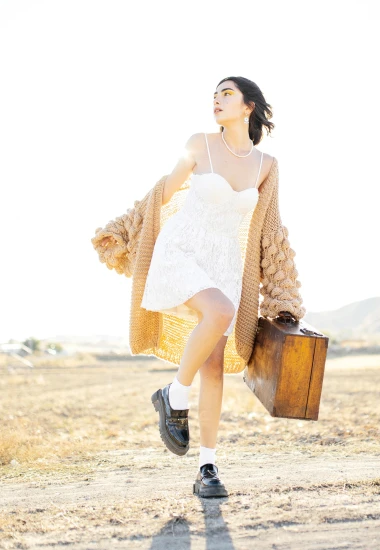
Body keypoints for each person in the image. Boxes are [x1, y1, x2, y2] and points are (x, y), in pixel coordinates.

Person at [95, 76, 305, 498]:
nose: (216, 99)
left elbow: (270, 231)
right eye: (214, 94)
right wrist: (129, 227)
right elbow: (162, 195)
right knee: (221, 311)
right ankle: (173, 393)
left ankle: (207, 468)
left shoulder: (267, 166)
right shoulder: (199, 144)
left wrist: (283, 293)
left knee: (214, 366)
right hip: (183, 250)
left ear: (248, 106)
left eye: (226, 93)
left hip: (225, 264)